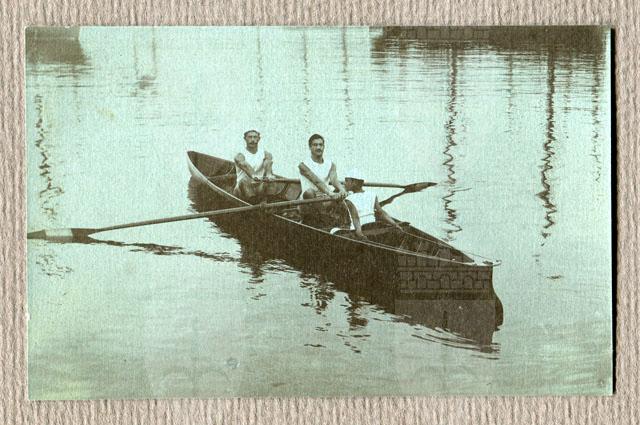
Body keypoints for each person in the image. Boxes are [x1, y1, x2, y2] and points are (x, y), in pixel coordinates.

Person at [343, 169, 403, 240]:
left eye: (346, 181)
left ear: (354, 182)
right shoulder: (372, 194)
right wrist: (395, 224)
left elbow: (355, 217)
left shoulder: (349, 199)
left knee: (334, 231)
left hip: (359, 229)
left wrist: (360, 234)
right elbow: (381, 212)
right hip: (372, 227)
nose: (344, 183)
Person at [298, 134, 347, 200]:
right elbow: (317, 181)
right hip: (309, 199)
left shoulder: (331, 164)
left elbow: (334, 180)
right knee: (310, 192)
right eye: (315, 145)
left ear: (324, 147)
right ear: (310, 147)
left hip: (325, 197)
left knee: (342, 189)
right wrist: (330, 193)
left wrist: (342, 190)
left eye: (321, 145)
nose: (318, 147)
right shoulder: (303, 165)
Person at [233, 129, 275, 200]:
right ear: (245, 139)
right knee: (244, 180)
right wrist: (255, 176)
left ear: (259, 139)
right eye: (250, 137)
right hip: (242, 189)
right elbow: (245, 166)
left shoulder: (266, 154)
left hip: (259, 187)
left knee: (272, 182)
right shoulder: (239, 155)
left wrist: (269, 174)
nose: (252, 140)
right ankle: (253, 202)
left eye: (255, 137)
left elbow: (268, 164)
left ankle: (270, 201)